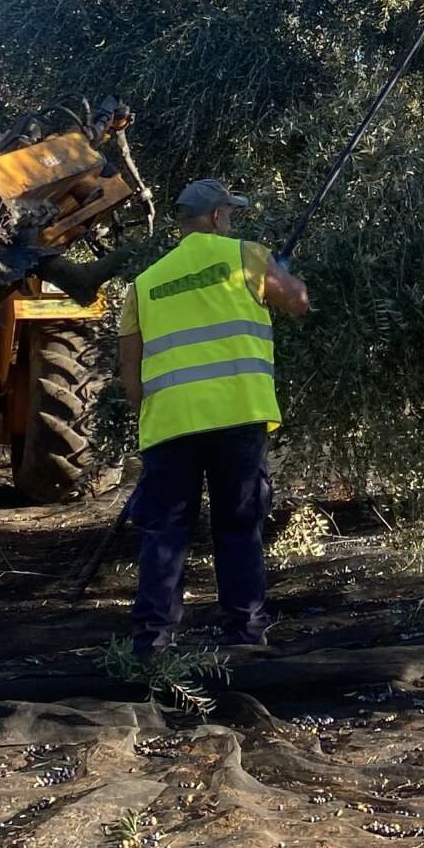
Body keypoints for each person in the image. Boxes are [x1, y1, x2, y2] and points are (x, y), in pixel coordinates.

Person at [119, 177, 311, 652]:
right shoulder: (246, 256)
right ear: (216, 217)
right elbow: (298, 304)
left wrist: (157, 410)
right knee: (237, 524)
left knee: (165, 530)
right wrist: (283, 272)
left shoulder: (143, 286)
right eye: (229, 214)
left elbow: (130, 375)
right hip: (236, 414)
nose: (231, 221)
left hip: (169, 425)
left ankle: (152, 640)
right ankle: (245, 632)